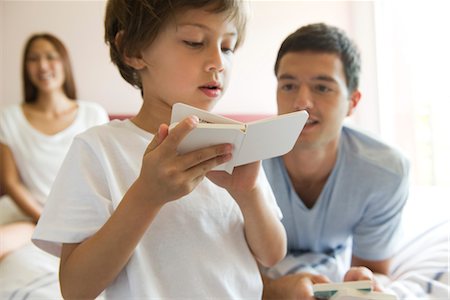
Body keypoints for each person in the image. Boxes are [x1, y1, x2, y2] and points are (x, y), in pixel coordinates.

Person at [32, 1, 287, 299]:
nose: (218, 61)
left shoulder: (237, 144)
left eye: (228, 47)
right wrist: (146, 196)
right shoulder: (98, 149)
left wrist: (250, 194)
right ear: (134, 49)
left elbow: (272, 256)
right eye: (194, 42)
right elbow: (76, 289)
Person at [261, 23, 409, 299]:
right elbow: (224, 265)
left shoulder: (385, 172)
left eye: (322, 87)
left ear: (353, 102)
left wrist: (366, 279)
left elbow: (374, 268)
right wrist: (271, 290)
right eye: (289, 85)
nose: (301, 102)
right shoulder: (240, 162)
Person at [0, 33, 109, 260]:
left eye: (51, 57)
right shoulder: (8, 118)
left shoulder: (93, 114)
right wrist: (44, 219)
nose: (42, 65)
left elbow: (103, 176)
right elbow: (10, 182)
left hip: (80, 219)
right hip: (30, 218)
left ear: (64, 63)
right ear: (25, 67)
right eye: (33, 59)